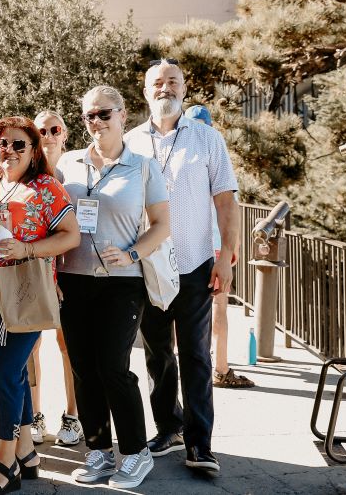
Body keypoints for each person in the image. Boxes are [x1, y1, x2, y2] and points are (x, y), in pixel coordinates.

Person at [124, 60, 239, 474]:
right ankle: (168, 427)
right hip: (148, 267)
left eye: (173, 82)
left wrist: (226, 255)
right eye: (157, 83)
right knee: (157, 355)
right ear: (145, 93)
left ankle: (200, 443)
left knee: (195, 356)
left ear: (185, 90)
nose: (164, 88)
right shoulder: (130, 142)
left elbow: (226, 201)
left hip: (194, 262)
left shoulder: (208, 140)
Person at [56, 86, 171, 488]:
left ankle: (137, 453)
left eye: (105, 114)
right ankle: (100, 452)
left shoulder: (142, 166)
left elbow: (161, 224)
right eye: (89, 115)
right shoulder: (68, 164)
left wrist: (135, 254)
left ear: (124, 115)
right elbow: (51, 219)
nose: (97, 122)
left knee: (113, 368)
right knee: (84, 370)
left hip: (122, 283)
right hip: (72, 280)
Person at [0, 116, 79, 494]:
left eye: (18, 145)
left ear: (34, 151)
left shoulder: (46, 188)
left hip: (26, 298)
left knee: (2, 375)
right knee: (14, 377)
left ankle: (4, 462)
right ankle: (27, 453)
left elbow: (70, 236)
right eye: (2, 144)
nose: (8, 151)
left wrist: (28, 248)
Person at [185, 105, 254, 390]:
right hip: (214, 245)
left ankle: (188, 363)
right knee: (219, 308)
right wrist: (231, 248)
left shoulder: (186, 158)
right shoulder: (215, 153)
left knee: (182, 312)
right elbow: (229, 206)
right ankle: (221, 367)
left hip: (193, 245)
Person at [28, 110, 82, 447]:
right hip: (36, 273)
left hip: (69, 272)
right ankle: (35, 414)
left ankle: (73, 416)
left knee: (68, 347)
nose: (48, 135)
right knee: (31, 346)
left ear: (64, 134)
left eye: (54, 129)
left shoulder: (77, 175)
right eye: (40, 130)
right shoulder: (26, 175)